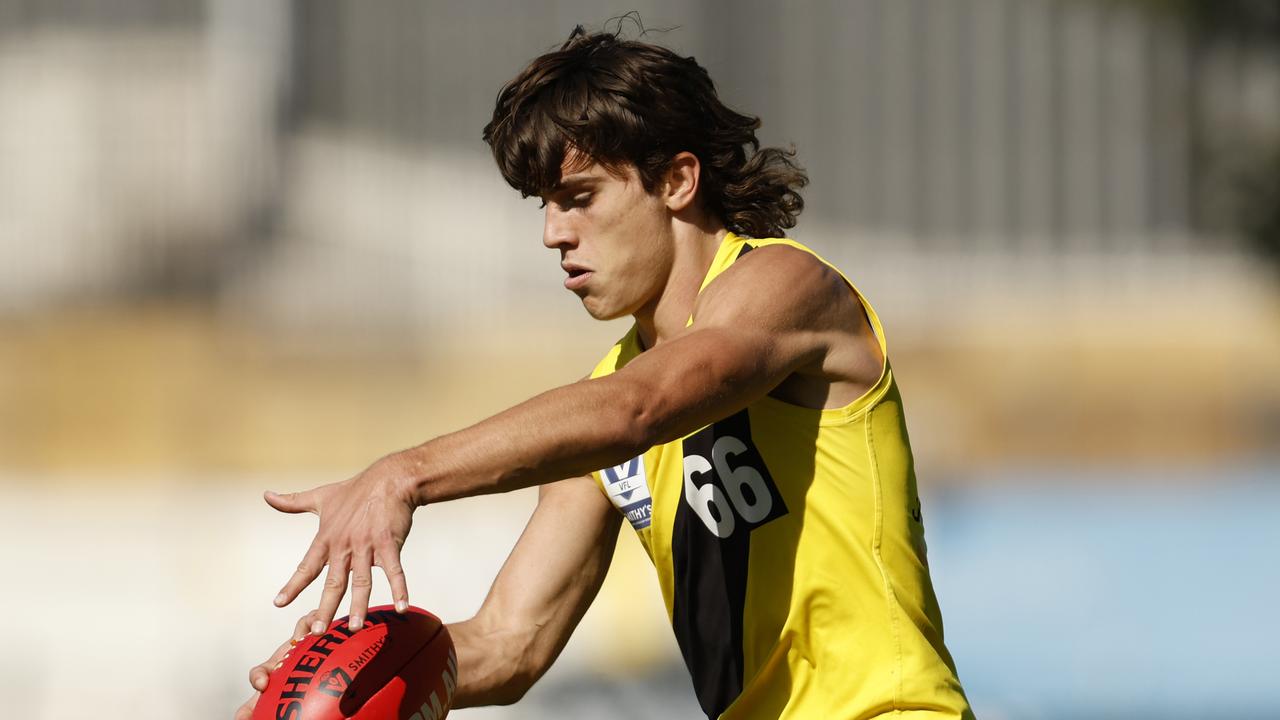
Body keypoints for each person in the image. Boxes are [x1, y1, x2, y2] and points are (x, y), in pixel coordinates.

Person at [237, 25, 973, 720]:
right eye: (546, 205)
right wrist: (351, 679)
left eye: (579, 197)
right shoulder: (606, 400)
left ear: (679, 180)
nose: (554, 232)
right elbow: (511, 640)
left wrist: (405, 474)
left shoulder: (784, 287)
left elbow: (641, 410)